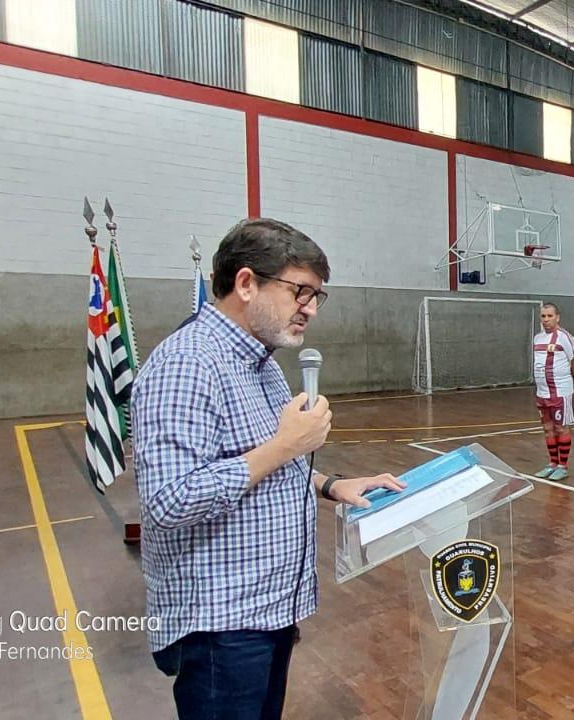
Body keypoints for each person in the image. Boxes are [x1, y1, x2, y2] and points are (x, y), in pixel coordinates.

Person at [133, 218, 406, 719]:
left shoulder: (263, 366)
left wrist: (329, 484)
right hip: (220, 627)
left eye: (317, 296)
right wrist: (284, 446)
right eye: (300, 291)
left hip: (267, 612)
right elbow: (170, 501)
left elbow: (261, 463)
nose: (310, 308)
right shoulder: (188, 364)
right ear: (246, 283)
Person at [532, 303, 574, 480]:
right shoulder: (537, 339)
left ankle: (563, 466)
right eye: (543, 316)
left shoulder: (565, 338)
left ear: (557, 317)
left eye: (550, 316)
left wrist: (569, 380)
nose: (546, 320)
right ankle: (552, 463)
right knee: (548, 428)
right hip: (542, 392)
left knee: (561, 428)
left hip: (560, 392)